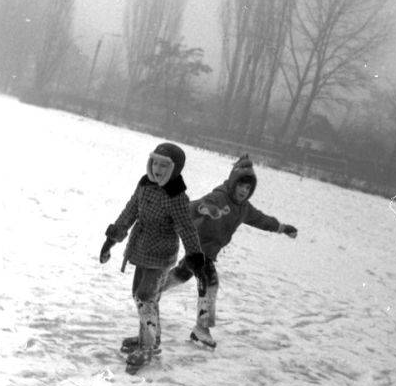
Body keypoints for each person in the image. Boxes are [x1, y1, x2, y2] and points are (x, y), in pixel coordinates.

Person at [163, 154, 298, 347]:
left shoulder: (244, 208)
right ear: (233, 183)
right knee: (210, 284)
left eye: (248, 188)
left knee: (182, 274)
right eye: (241, 185)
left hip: (208, 250)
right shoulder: (219, 197)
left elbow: (261, 220)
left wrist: (283, 228)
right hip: (198, 247)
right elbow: (194, 206)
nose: (244, 191)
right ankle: (201, 329)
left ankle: (152, 293)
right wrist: (205, 208)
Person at [99, 142, 205, 369]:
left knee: (146, 298)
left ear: (174, 169)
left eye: (164, 165)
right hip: (141, 250)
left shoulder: (177, 196)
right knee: (141, 296)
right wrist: (111, 240)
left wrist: (195, 256)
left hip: (161, 255)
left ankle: (148, 348)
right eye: (155, 162)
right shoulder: (145, 184)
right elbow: (130, 211)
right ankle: (150, 339)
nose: (157, 168)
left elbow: (187, 228)